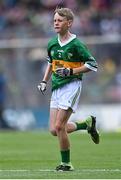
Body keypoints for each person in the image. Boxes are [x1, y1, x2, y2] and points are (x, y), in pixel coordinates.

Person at [38, 7, 99, 171]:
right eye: (55, 20)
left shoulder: (77, 44)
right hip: (56, 87)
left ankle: (66, 164)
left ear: (69, 23)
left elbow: (92, 65)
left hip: (71, 86)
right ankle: (86, 125)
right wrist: (44, 81)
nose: (56, 23)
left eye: (59, 20)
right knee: (53, 130)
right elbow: (51, 63)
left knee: (59, 127)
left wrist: (71, 71)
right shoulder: (52, 43)